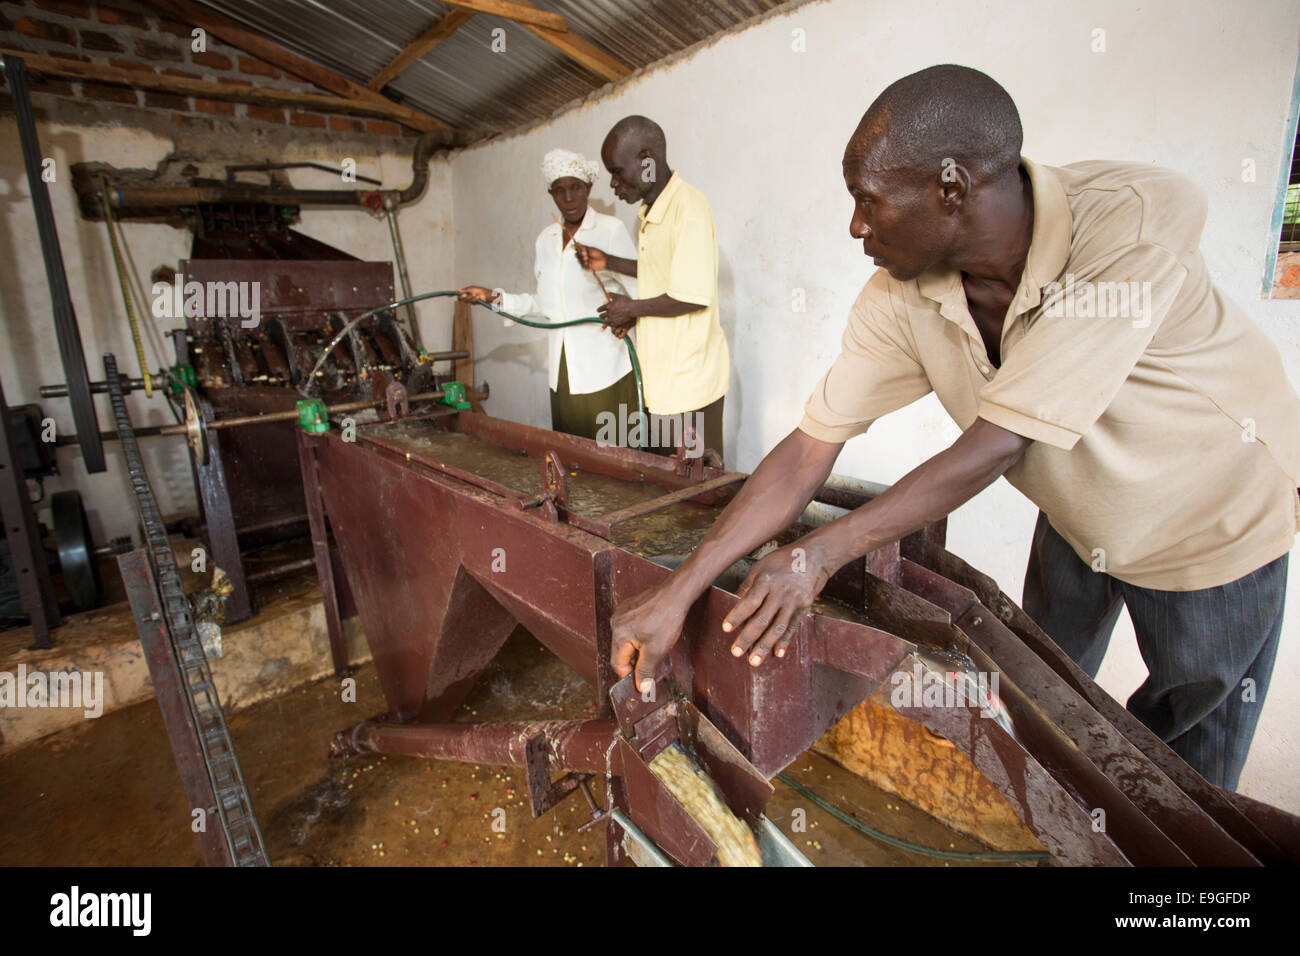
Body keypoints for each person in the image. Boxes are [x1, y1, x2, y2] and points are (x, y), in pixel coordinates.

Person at [608, 65, 1300, 791]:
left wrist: (820, 553)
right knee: (1044, 705)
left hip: (1211, 525)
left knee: (1183, 768)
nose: (855, 227)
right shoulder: (904, 292)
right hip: (1079, 518)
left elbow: (1001, 440)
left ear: (951, 188)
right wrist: (681, 591)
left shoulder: (1131, 222)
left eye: (867, 201)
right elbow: (810, 446)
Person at [575, 116, 730, 462]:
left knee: (697, 486)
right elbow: (662, 273)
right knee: (669, 481)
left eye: (617, 171)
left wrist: (630, 309)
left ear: (646, 161)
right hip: (664, 381)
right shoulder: (652, 212)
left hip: (690, 385)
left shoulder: (687, 208)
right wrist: (609, 262)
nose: (613, 184)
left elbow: (689, 295)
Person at [458, 148, 637, 441]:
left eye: (575, 188)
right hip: (563, 372)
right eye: (559, 191)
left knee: (619, 460)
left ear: (588, 188)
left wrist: (629, 318)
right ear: (551, 193)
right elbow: (545, 305)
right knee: (574, 459)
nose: (568, 198)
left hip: (607, 369)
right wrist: (494, 297)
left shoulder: (609, 230)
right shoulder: (546, 240)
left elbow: (638, 292)